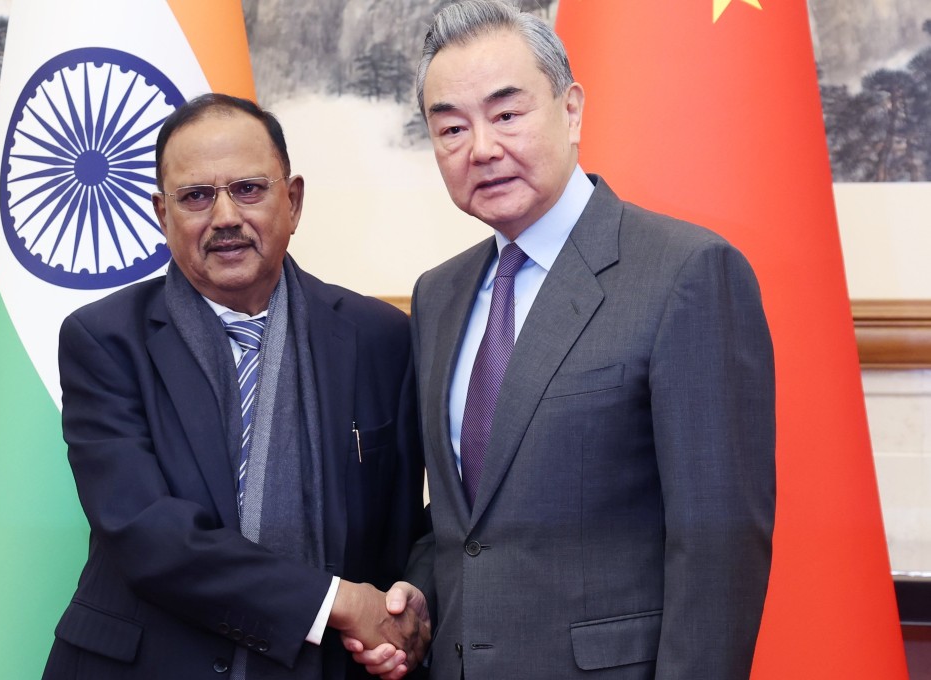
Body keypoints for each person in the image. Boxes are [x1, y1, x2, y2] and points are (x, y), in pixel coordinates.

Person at [348, 2, 775, 678]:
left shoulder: (685, 273)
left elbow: (718, 545)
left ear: (571, 110)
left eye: (507, 114)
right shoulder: (440, 294)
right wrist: (418, 598)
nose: (481, 148)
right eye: (451, 127)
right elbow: (469, 517)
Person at [43, 93, 429, 680]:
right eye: (196, 196)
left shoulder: (381, 339)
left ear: (292, 201)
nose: (225, 216)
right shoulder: (104, 341)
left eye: (248, 189)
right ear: (161, 213)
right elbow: (146, 533)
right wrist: (337, 603)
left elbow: (403, 525)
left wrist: (405, 606)